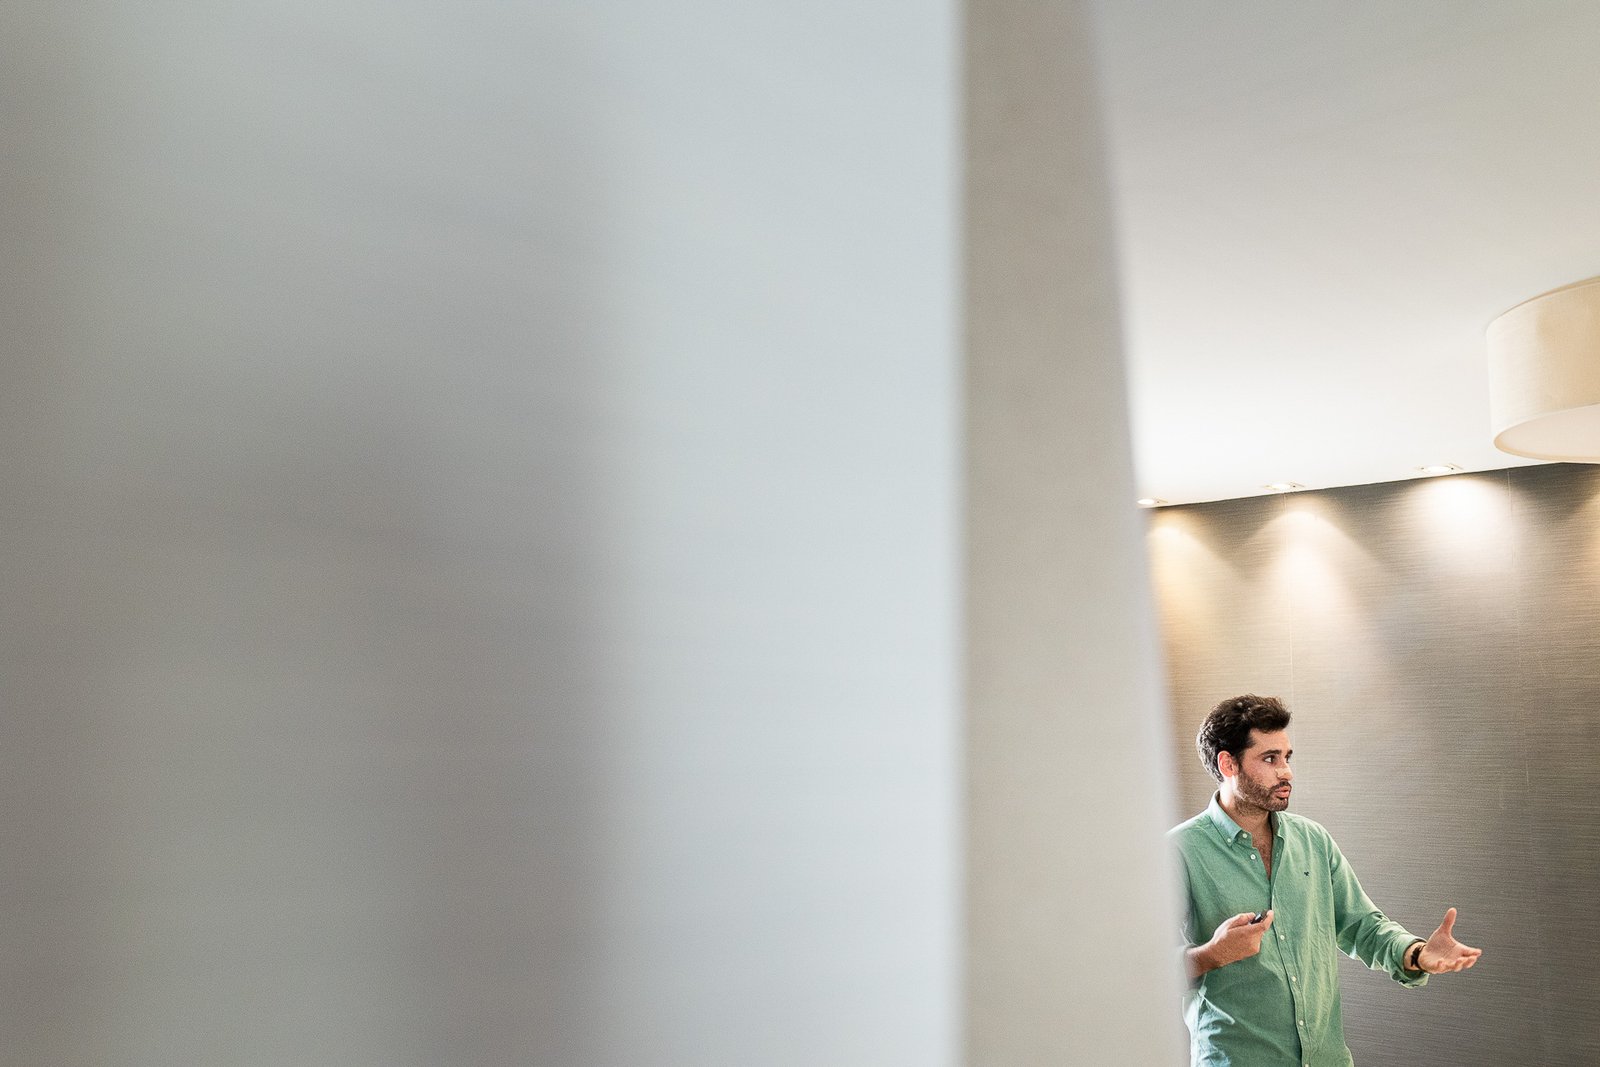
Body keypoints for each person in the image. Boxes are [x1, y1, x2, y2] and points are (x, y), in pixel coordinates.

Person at [1170, 694, 1481, 1066]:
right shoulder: (1178, 852)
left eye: (1287, 757)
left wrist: (1416, 954)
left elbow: (1362, 926)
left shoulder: (1313, 840)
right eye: (1270, 759)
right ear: (1228, 764)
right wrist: (1213, 954)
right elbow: (1144, 971)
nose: (1286, 772)